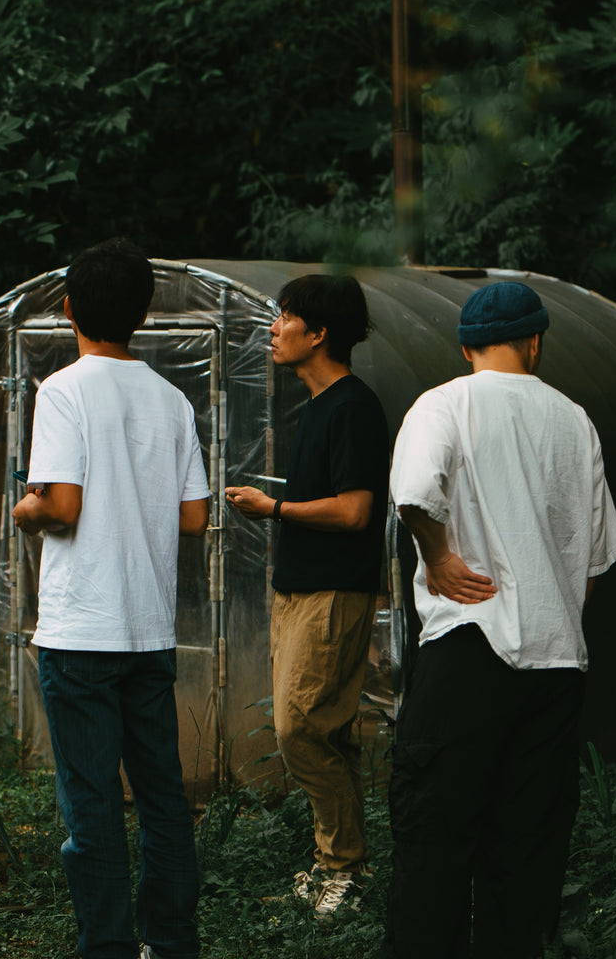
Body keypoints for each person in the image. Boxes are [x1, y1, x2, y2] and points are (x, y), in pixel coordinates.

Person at [384, 281, 616, 958]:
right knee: (527, 859)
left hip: (471, 644)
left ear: (465, 347)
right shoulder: (574, 420)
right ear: (535, 341)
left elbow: (413, 495)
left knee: (434, 845)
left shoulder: (444, 403)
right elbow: (593, 560)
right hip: (555, 667)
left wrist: (437, 558)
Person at [11, 238, 209, 959]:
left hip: (80, 630)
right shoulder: (172, 398)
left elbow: (61, 506)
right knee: (162, 796)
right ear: (143, 313)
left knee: (91, 802)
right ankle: (172, 941)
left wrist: (26, 509)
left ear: (69, 310)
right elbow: (193, 518)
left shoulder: (62, 390)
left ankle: (107, 947)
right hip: (148, 631)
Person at [223, 273, 389, 915]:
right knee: (326, 731)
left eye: (286, 316)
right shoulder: (319, 405)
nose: (274, 327)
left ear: (319, 333)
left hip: (333, 592)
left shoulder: (352, 406)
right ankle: (340, 867)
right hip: (302, 591)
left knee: (298, 730)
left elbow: (354, 511)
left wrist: (275, 506)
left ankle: (342, 866)